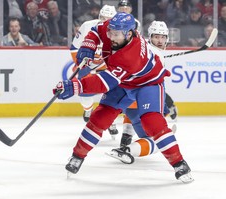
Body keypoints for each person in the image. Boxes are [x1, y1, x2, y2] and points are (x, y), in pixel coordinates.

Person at [54, 12, 193, 183]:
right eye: (111, 32)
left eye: (115, 34)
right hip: (124, 81)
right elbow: (97, 30)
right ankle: (77, 156)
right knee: (100, 118)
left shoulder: (129, 56)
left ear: (128, 34)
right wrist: (89, 44)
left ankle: (179, 163)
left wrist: (76, 86)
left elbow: (104, 81)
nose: (111, 36)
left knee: (152, 121)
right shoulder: (115, 29)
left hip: (148, 83)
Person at [107, 21, 179, 164]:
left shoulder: (144, 49)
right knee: (159, 140)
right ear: (150, 37)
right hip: (138, 102)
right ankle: (126, 149)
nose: (159, 40)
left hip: (130, 104)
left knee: (151, 135)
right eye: (156, 37)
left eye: (162, 37)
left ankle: (126, 140)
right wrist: (168, 101)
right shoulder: (150, 54)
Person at [70, 4, 118, 138]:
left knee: (115, 92)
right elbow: (74, 48)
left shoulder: (119, 32)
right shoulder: (88, 26)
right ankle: (87, 109)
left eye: (108, 19)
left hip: (107, 66)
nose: (104, 21)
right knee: (84, 91)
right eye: (102, 18)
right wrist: (82, 64)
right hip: (88, 64)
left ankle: (110, 120)